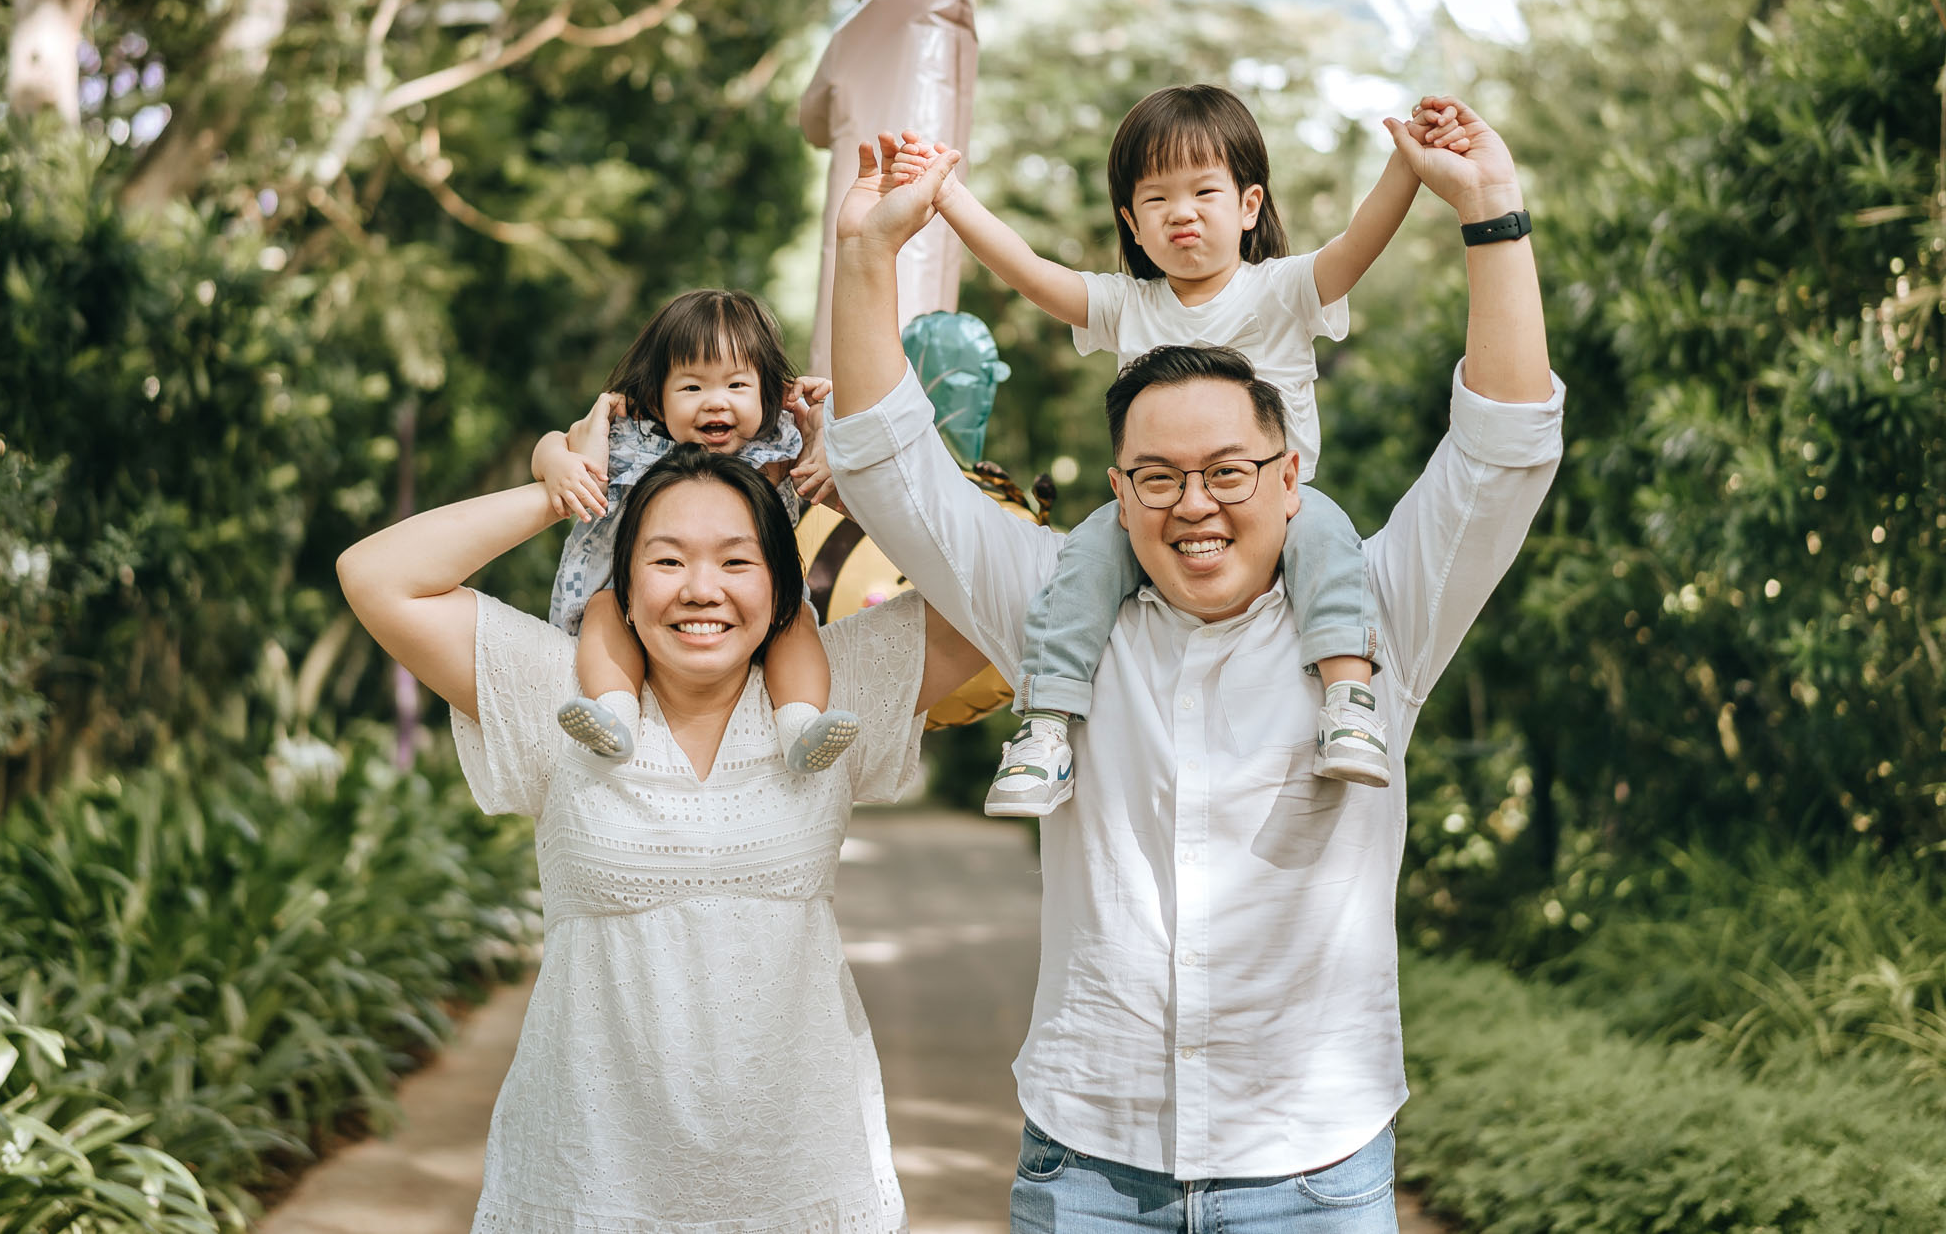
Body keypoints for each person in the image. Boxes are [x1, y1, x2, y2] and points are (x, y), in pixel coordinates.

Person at [825, 99, 1562, 1230]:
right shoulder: (1053, 608)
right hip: (1086, 1165)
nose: (1195, 504)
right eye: (1157, 477)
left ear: (1287, 477)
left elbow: (1500, 451)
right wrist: (868, 253)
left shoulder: (1379, 617)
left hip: (1313, 1172)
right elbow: (891, 469)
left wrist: (1491, 219)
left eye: (1228, 470)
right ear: (1117, 493)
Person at [337, 441, 989, 1232]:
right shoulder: (560, 691)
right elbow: (376, 575)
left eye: (736, 561)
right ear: (625, 580)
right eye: (668, 559)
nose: (701, 589)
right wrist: (560, 490)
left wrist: (851, 486)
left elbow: (1004, 589)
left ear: (780, 582)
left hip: (805, 1182)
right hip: (587, 1184)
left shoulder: (831, 692)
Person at [889, 86, 1464, 816]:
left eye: (1203, 191)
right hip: (1154, 506)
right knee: (1082, 564)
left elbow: (1357, 245)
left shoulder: (1282, 290)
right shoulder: (1130, 304)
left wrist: (1408, 166)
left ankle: (1350, 704)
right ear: (1131, 221)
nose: (1182, 212)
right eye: (1156, 199)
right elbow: (1031, 272)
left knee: (1331, 542)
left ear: (1248, 206)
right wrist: (946, 194)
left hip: (1275, 505)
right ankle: (1044, 730)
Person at [532, 288, 860, 773]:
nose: (714, 403)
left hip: (756, 602)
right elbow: (553, 444)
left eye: (736, 386)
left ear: (770, 393)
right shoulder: (633, 439)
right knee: (604, 606)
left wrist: (821, 430)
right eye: (691, 388)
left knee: (795, 618)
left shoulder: (778, 449)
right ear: (656, 398)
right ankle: (614, 716)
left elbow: (852, 474)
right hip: (628, 596)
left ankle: (800, 724)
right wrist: (559, 463)